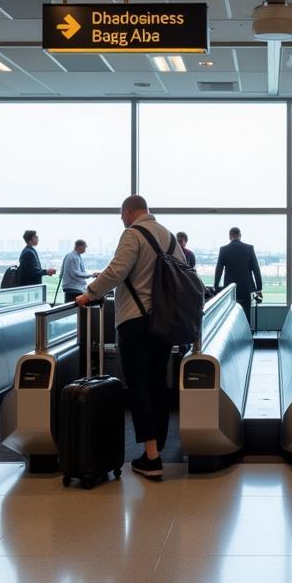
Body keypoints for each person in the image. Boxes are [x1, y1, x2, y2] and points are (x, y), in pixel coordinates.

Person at [75, 195, 186, 481]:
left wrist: (90, 293)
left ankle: (151, 458)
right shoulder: (169, 237)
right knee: (158, 384)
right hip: (164, 323)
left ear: (127, 213)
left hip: (135, 321)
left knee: (138, 386)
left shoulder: (132, 233)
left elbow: (118, 269)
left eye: (122, 216)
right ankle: (156, 448)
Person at [214, 227, 262, 318]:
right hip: (246, 287)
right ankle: (246, 331)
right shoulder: (249, 248)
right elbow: (256, 269)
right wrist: (259, 288)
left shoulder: (224, 249)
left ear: (229, 236)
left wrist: (216, 286)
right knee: (246, 313)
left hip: (230, 287)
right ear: (240, 236)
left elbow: (219, 270)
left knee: (231, 314)